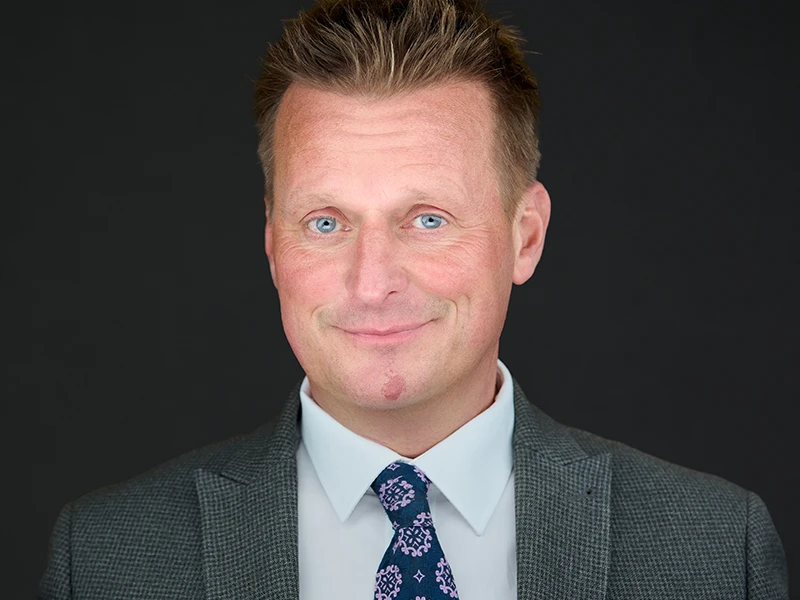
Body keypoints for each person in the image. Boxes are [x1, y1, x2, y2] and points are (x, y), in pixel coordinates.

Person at [39, 0, 788, 598]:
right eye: (326, 223)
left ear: (525, 237)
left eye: (427, 220)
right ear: (273, 245)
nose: (372, 283)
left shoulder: (717, 552)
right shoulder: (107, 559)